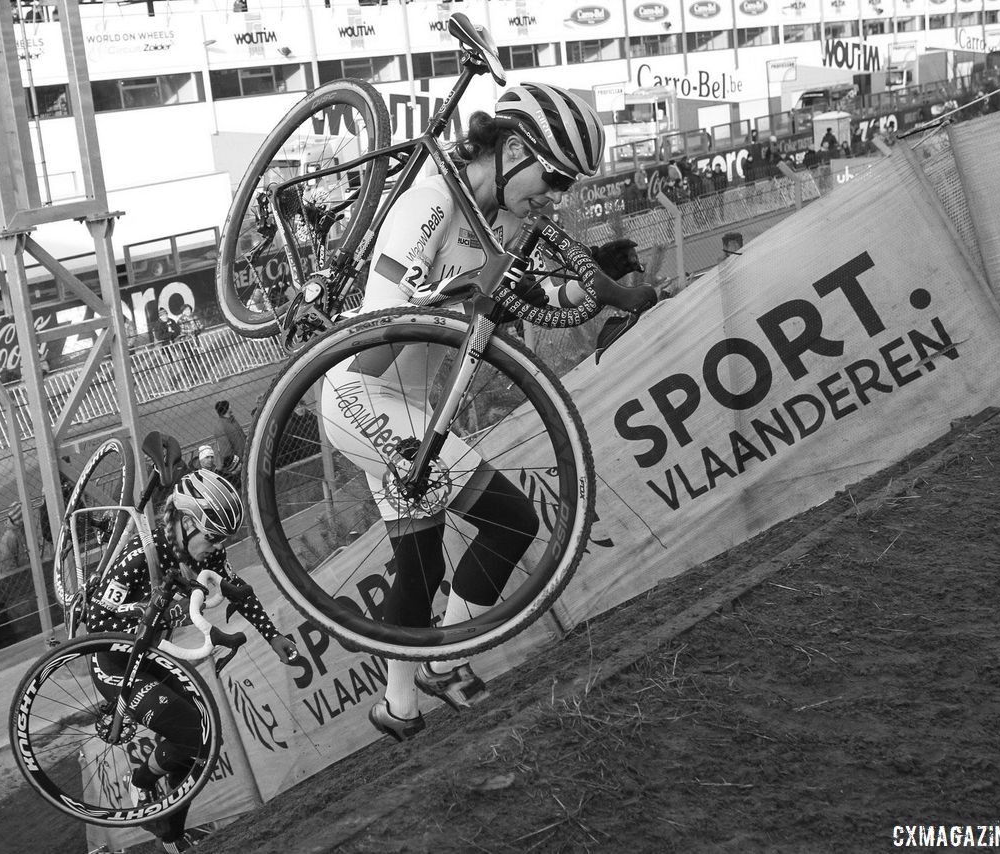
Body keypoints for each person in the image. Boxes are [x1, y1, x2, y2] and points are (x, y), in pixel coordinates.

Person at [318, 82, 654, 743]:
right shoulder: (431, 201)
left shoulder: (501, 219)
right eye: (553, 176)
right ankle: (447, 660)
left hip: (408, 407)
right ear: (511, 149)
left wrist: (607, 288)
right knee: (510, 520)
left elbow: (529, 292)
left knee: (419, 566)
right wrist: (455, 292)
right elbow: (385, 330)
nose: (556, 195)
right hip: (365, 395)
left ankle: (399, 708)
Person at [82, 469, 297, 853]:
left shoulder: (208, 554)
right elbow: (97, 622)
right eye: (211, 537)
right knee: (192, 730)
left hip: (153, 658)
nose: (214, 548)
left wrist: (273, 635)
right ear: (184, 521)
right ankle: (144, 783)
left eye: (222, 540)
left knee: (205, 735)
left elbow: (239, 592)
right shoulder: (141, 555)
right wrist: (151, 611)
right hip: (115, 666)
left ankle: (170, 832)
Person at [208, 401, 246, 488]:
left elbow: (242, 436)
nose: (231, 407)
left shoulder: (232, 420)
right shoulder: (221, 427)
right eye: (230, 406)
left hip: (244, 457)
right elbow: (226, 450)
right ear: (227, 409)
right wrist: (235, 464)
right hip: (237, 464)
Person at [0, 502, 28, 575]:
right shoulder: (10, 537)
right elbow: (8, 564)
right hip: (19, 574)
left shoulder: (24, 531)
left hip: (25, 570)